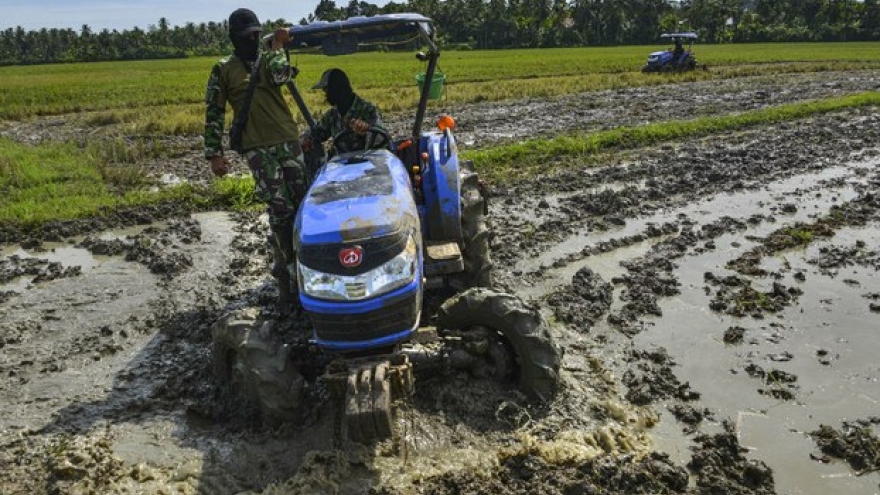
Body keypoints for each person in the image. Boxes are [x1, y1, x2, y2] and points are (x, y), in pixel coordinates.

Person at [204, 8, 308, 314]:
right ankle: (289, 267)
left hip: (288, 141)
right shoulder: (223, 69)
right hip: (258, 148)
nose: (252, 39)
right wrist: (214, 153)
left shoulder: (271, 58)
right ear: (235, 38)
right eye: (246, 35)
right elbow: (214, 112)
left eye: (255, 34)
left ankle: (310, 261)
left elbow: (281, 76)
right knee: (280, 209)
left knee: (304, 205)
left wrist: (276, 50)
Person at [301, 68, 389, 155]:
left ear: (336, 89)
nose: (325, 95)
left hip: (370, 162)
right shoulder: (332, 115)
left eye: (327, 90)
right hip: (343, 164)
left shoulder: (368, 110)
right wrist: (306, 139)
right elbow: (317, 132)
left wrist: (366, 130)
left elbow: (382, 137)